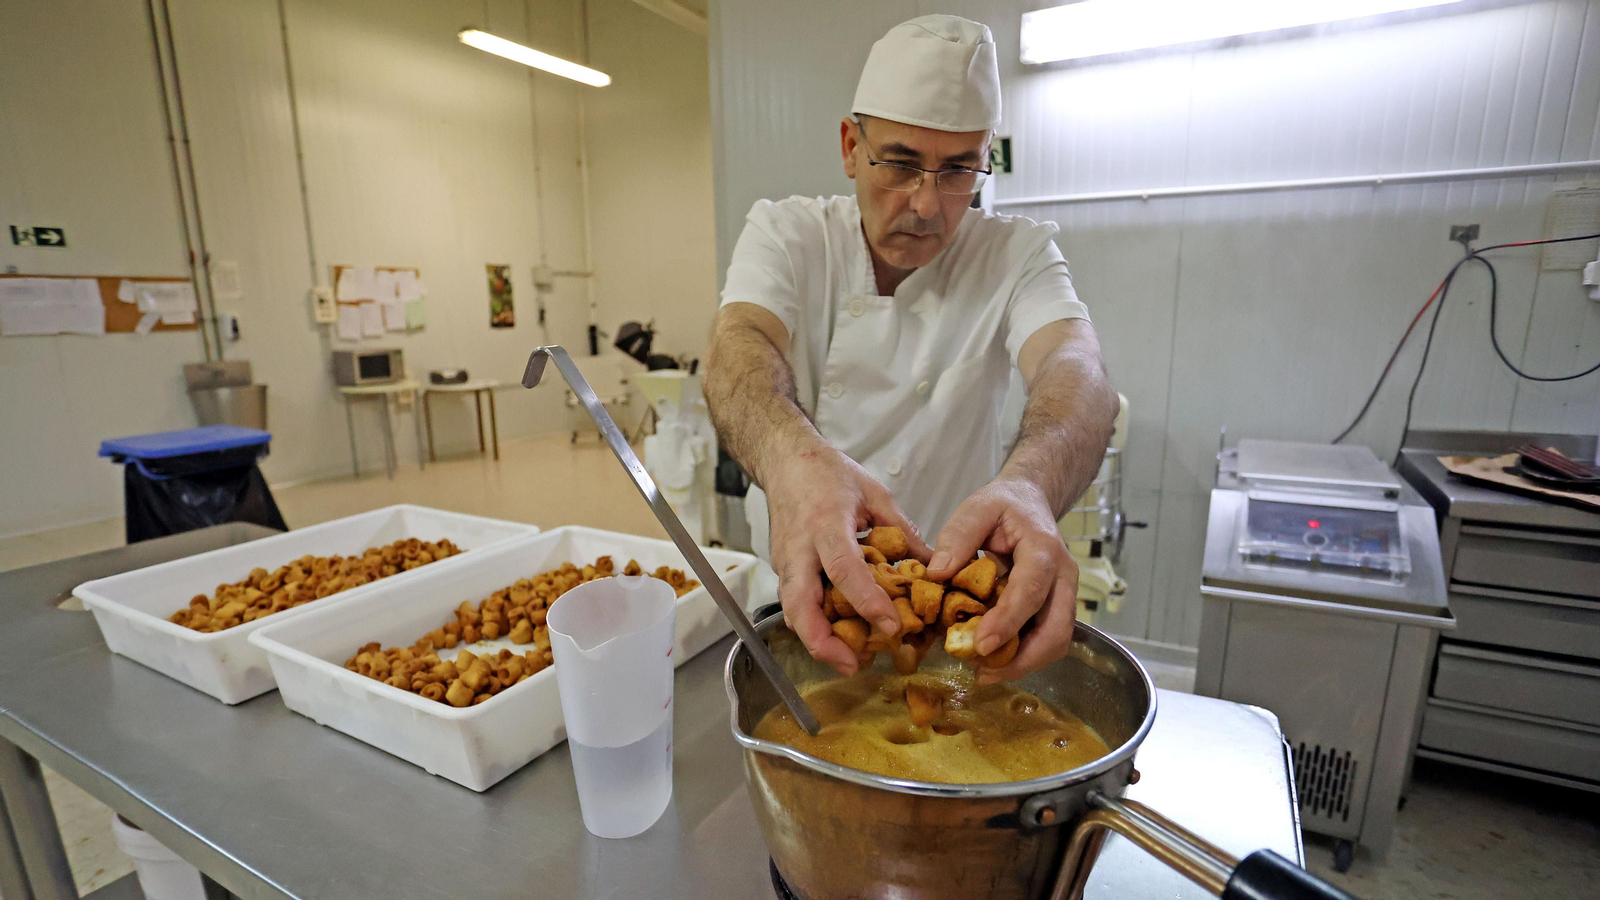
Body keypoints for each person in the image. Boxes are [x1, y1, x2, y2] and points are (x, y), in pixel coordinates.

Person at [704, 15, 1117, 684]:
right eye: (898, 163)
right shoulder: (788, 235)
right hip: (801, 600)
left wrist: (1031, 484)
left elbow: (1078, 368)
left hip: (947, 623)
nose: (926, 205)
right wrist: (794, 460)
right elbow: (736, 348)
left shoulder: (1018, 254)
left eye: (958, 170)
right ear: (849, 146)